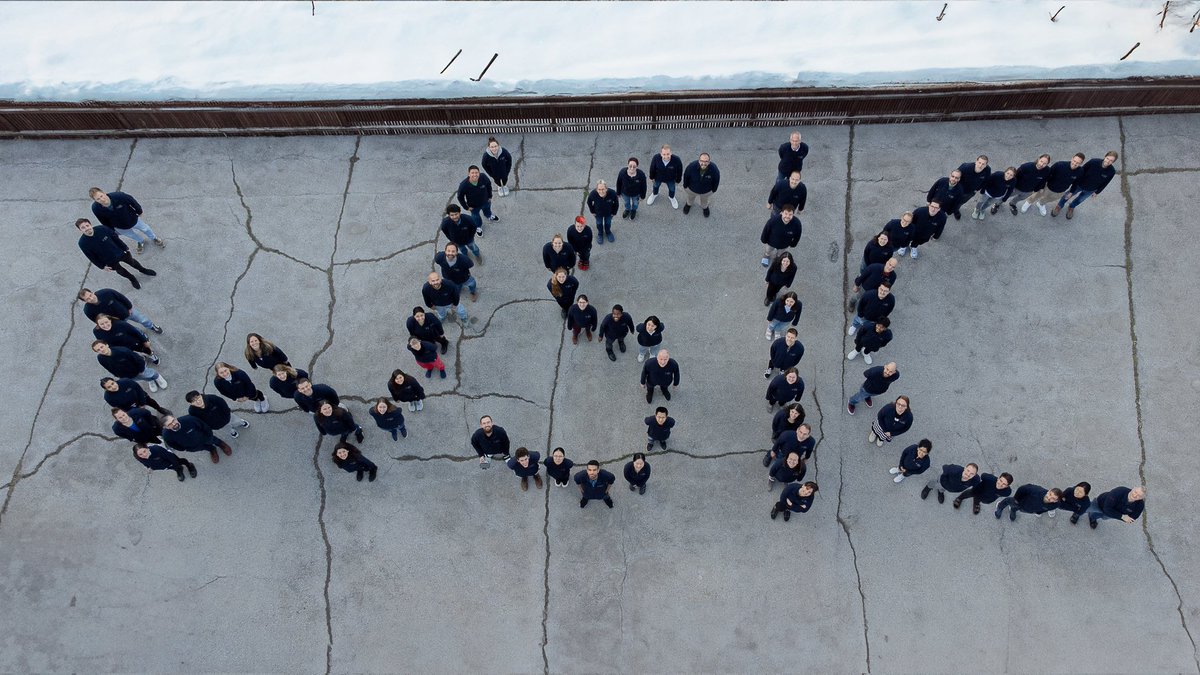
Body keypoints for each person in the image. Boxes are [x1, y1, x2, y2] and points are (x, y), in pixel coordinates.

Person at [75, 218, 156, 289]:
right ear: (80, 230)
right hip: (108, 260)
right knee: (120, 271)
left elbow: (115, 238)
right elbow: (91, 257)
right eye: (83, 227)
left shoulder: (102, 229)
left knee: (132, 262)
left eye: (87, 225)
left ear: (90, 224)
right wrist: (102, 266)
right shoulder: (82, 243)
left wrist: (125, 248)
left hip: (120, 252)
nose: (86, 228)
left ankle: (143, 270)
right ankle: (132, 279)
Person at [89, 187, 164, 252]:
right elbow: (103, 220)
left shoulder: (119, 196)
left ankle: (154, 238)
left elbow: (132, 201)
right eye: (98, 199)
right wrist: (111, 230)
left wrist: (139, 211)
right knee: (131, 235)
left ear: (104, 193)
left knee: (146, 229)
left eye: (101, 196)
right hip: (119, 226)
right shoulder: (96, 208)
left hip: (133, 219)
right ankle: (140, 241)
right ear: (95, 200)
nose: (101, 199)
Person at [1055, 151, 1118, 219]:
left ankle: (1071, 207)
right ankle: (1059, 206)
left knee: (1080, 200)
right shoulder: (1093, 162)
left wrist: (1097, 192)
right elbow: (1081, 171)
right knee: (1067, 195)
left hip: (1091, 190)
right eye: (1108, 158)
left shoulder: (1112, 171)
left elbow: (1106, 183)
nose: (1108, 161)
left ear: (1113, 162)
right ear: (1105, 156)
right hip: (1079, 185)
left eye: (1111, 161)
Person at [92, 340, 168, 392]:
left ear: (106, 345)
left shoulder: (122, 351)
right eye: (98, 350)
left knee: (149, 373)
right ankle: (150, 380)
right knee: (143, 378)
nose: (101, 350)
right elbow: (108, 368)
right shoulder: (100, 358)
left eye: (101, 347)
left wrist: (141, 370)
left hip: (139, 370)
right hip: (127, 375)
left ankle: (158, 377)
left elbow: (138, 359)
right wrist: (119, 376)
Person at [79, 287, 162, 333]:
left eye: (90, 295)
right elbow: (96, 321)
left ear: (92, 292)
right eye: (87, 299)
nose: (91, 298)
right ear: (85, 301)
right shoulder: (88, 311)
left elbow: (121, 297)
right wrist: (108, 325)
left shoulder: (106, 292)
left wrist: (129, 307)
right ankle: (141, 334)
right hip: (116, 322)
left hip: (127, 312)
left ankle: (151, 326)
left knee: (142, 319)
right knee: (131, 329)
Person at [161, 414, 232, 464]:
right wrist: (185, 449)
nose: (174, 424)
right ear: (166, 427)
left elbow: (204, 426)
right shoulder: (166, 435)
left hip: (204, 437)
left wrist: (209, 435)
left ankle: (221, 444)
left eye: (173, 420)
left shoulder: (189, 419)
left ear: (175, 418)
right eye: (169, 424)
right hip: (193, 447)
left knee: (214, 440)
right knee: (205, 448)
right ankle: (212, 449)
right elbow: (173, 445)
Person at [92, 314, 157, 363]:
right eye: (102, 324)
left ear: (110, 320)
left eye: (106, 322)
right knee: (132, 355)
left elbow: (136, 332)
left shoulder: (121, 324)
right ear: (98, 325)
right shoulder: (96, 332)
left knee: (145, 349)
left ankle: (151, 355)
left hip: (134, 343)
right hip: (120, 348)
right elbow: (103, 342)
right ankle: (141, 358)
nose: (105, 325)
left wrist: (145, 341)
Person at [456, 165, 498, 235]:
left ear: (479, 173)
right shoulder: (463, 185)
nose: (475, 175)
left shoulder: (483, 177)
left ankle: (489, 216)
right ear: (469, 174)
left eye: (476, 172)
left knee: (487, 210)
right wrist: (466, 207)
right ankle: (478, 226)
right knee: (475, 217)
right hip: (474, 206)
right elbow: (460, 197)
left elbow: (489, 185)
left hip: (486, 201)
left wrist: (490, 196)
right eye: (472, 173)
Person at [102, 376, 170, 415]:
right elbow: (121, 407)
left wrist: (142, 403)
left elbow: (139, 389)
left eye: (112, 383)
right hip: (132, 407)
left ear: (114, 381)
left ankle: (159, 409)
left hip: (141, 397)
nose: (113, 387)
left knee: (152, 402)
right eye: (109, 387)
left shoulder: (126, 381)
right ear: (106, 389)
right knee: (143, 414)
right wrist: (135, 410)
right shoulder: (108, 397)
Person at [995, 484, 1062, 521]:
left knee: (1016, 508)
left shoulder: (1055, 505)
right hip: (1020, 501)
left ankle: (1013, 510)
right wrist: (1016, 499)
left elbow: (1046, 509)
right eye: (1050, 494)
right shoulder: (1036, 490)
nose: (1049, 498)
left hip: (1027, 509)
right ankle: (1000, 506)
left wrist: (1038, 512)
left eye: (1053, 498)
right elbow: (1022, 488)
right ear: (1049, 491)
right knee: (1009, 501)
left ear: (1056, 501)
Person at [682, 153, 720, 217]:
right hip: (692, 189)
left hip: (706, 191)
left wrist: (714, 190)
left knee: (704, 201)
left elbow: (716, 180)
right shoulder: (691, 166)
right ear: (699, 161)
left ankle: (704, 207)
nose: (703, 163)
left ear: (709, 162)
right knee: (690, 198)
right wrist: (685, 186)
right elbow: (686, 176)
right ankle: (688, 204)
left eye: (706, 161)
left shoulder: (714, 169)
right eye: (702, 161)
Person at [646, 144, 683, 209]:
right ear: (661, 154)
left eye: (668, 154)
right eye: (664, 154)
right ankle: (654, 194)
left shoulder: (677, 160)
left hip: (671, 179)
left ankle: (671, 197)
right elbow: (652, 168)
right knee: (655, 186)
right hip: (658, 177)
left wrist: (678, 180)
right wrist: (651, 177)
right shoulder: (656, 158)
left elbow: (680, 170)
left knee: (672, 189)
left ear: (671, 153)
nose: (666, 156)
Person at [586, 179, 620, 244]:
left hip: (609, 213)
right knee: (599, 224)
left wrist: (614, 213)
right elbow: (589, 202)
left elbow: (616, 203)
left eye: (603, 189)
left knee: (608, 223)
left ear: (606, 189)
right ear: (596, 189)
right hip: (598, 214)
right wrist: (592, 211)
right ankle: (600, 233)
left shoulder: (612, 193)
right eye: (599, 189)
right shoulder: (593, 194)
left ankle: (608, 232)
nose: (601, 191)